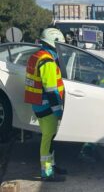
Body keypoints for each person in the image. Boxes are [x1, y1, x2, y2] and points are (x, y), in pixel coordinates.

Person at [24, 28, 67, 182]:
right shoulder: (48, 62)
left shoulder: (36, 56)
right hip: (47, 105)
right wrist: (58, 110)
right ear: (54, 43)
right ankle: (47, 172)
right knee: (48, 139)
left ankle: (52, 166)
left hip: (38, 103)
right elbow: (51, 90)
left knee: (49, 138)